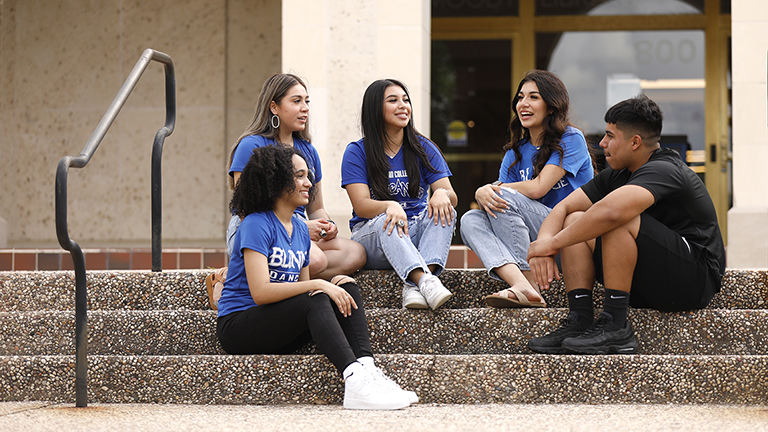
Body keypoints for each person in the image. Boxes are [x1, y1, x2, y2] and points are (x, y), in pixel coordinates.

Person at [217, 145, 417, 410]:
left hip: (277, 324)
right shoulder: (256, 224)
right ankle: (354, 379)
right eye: (299, 176)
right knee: (318, 295)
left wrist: (328, 285)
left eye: (307, 175)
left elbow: (302, 287)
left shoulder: (300, 229)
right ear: (276, 180)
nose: (308, 183)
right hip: (239, 327)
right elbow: (261, 292)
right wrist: (320, 284)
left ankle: (367, 369)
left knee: (346, 286)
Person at [526, 94, 726, 355]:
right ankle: (580, 320)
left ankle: (616, 325)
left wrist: (552, 244)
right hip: (649, 279)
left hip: (694, 280)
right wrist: (543, 246)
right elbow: (563, 207)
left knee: (618, 218)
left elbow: (611, 213)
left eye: (610, 136)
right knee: (575, 218)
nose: (602, 143)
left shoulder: (665, 169)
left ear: (635, 142)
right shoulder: (618, 175)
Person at [206, 73, 366, 309]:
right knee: (315, 259)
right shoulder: (252, 145)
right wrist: (294, 227)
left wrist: (326, 226)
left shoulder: (308, 151)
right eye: (296, 101)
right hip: (255, 228)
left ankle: (261, 279)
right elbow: (245, 205)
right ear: (274, 107)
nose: (305, 108)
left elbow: (316, 208)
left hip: (299, 231)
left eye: (307, 101)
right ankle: (231, 278)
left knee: (357, 254)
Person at [460, 70, 594, 308]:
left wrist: (491, 188)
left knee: (501, 196)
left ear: (551, 107)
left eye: (534, 97)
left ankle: (530, 285)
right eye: (520, 97)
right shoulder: (515, 152)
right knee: (470, 220)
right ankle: (521, 283)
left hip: (568, 237)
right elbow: (497, 201)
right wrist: (482, 193)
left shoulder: (571, 139)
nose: (523, 104)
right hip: (528, 239)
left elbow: (538, 188)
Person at [342, 79, 458, 310]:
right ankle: (425, 281)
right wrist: (389, 206)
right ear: (375, 108)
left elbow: (451, 195)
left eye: (406, 100)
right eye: (393, 100)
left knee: (447, 212)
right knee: (388, 219)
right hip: (373, 237)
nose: (403, 105)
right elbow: (362, 205)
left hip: (413, 233)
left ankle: (417, 284)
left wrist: (441, 194)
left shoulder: (424, 148)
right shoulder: (357, 151)